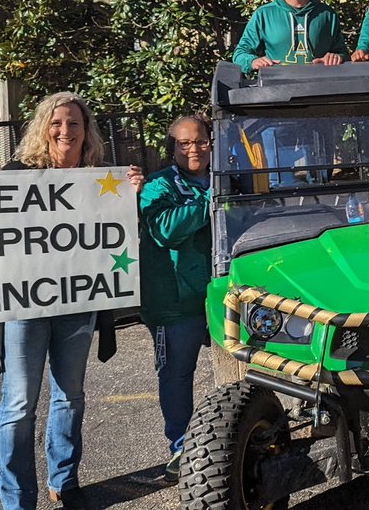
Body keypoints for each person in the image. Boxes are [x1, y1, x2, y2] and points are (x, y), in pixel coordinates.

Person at [0, 92, 143, 509]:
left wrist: (132, 196)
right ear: (43, 128)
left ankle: (65, 479)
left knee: (70, 396)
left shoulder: (101, 179)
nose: (65, 131)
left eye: (74, 124)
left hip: (78, 304)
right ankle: (18, 499)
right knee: (19, 404)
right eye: (57, 123)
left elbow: (120, 233)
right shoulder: (16, 175)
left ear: (86, 130)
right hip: (24, 309)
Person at [137, 114, 213, 482]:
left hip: (227, 295)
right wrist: (213, 201)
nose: (194, 148)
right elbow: (165, 229)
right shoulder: (157, 185)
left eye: (200, 141)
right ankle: (182, 446)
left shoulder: (232, 177)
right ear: (172, 148)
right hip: (175, 301)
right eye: (184, 143)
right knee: (177, 375)